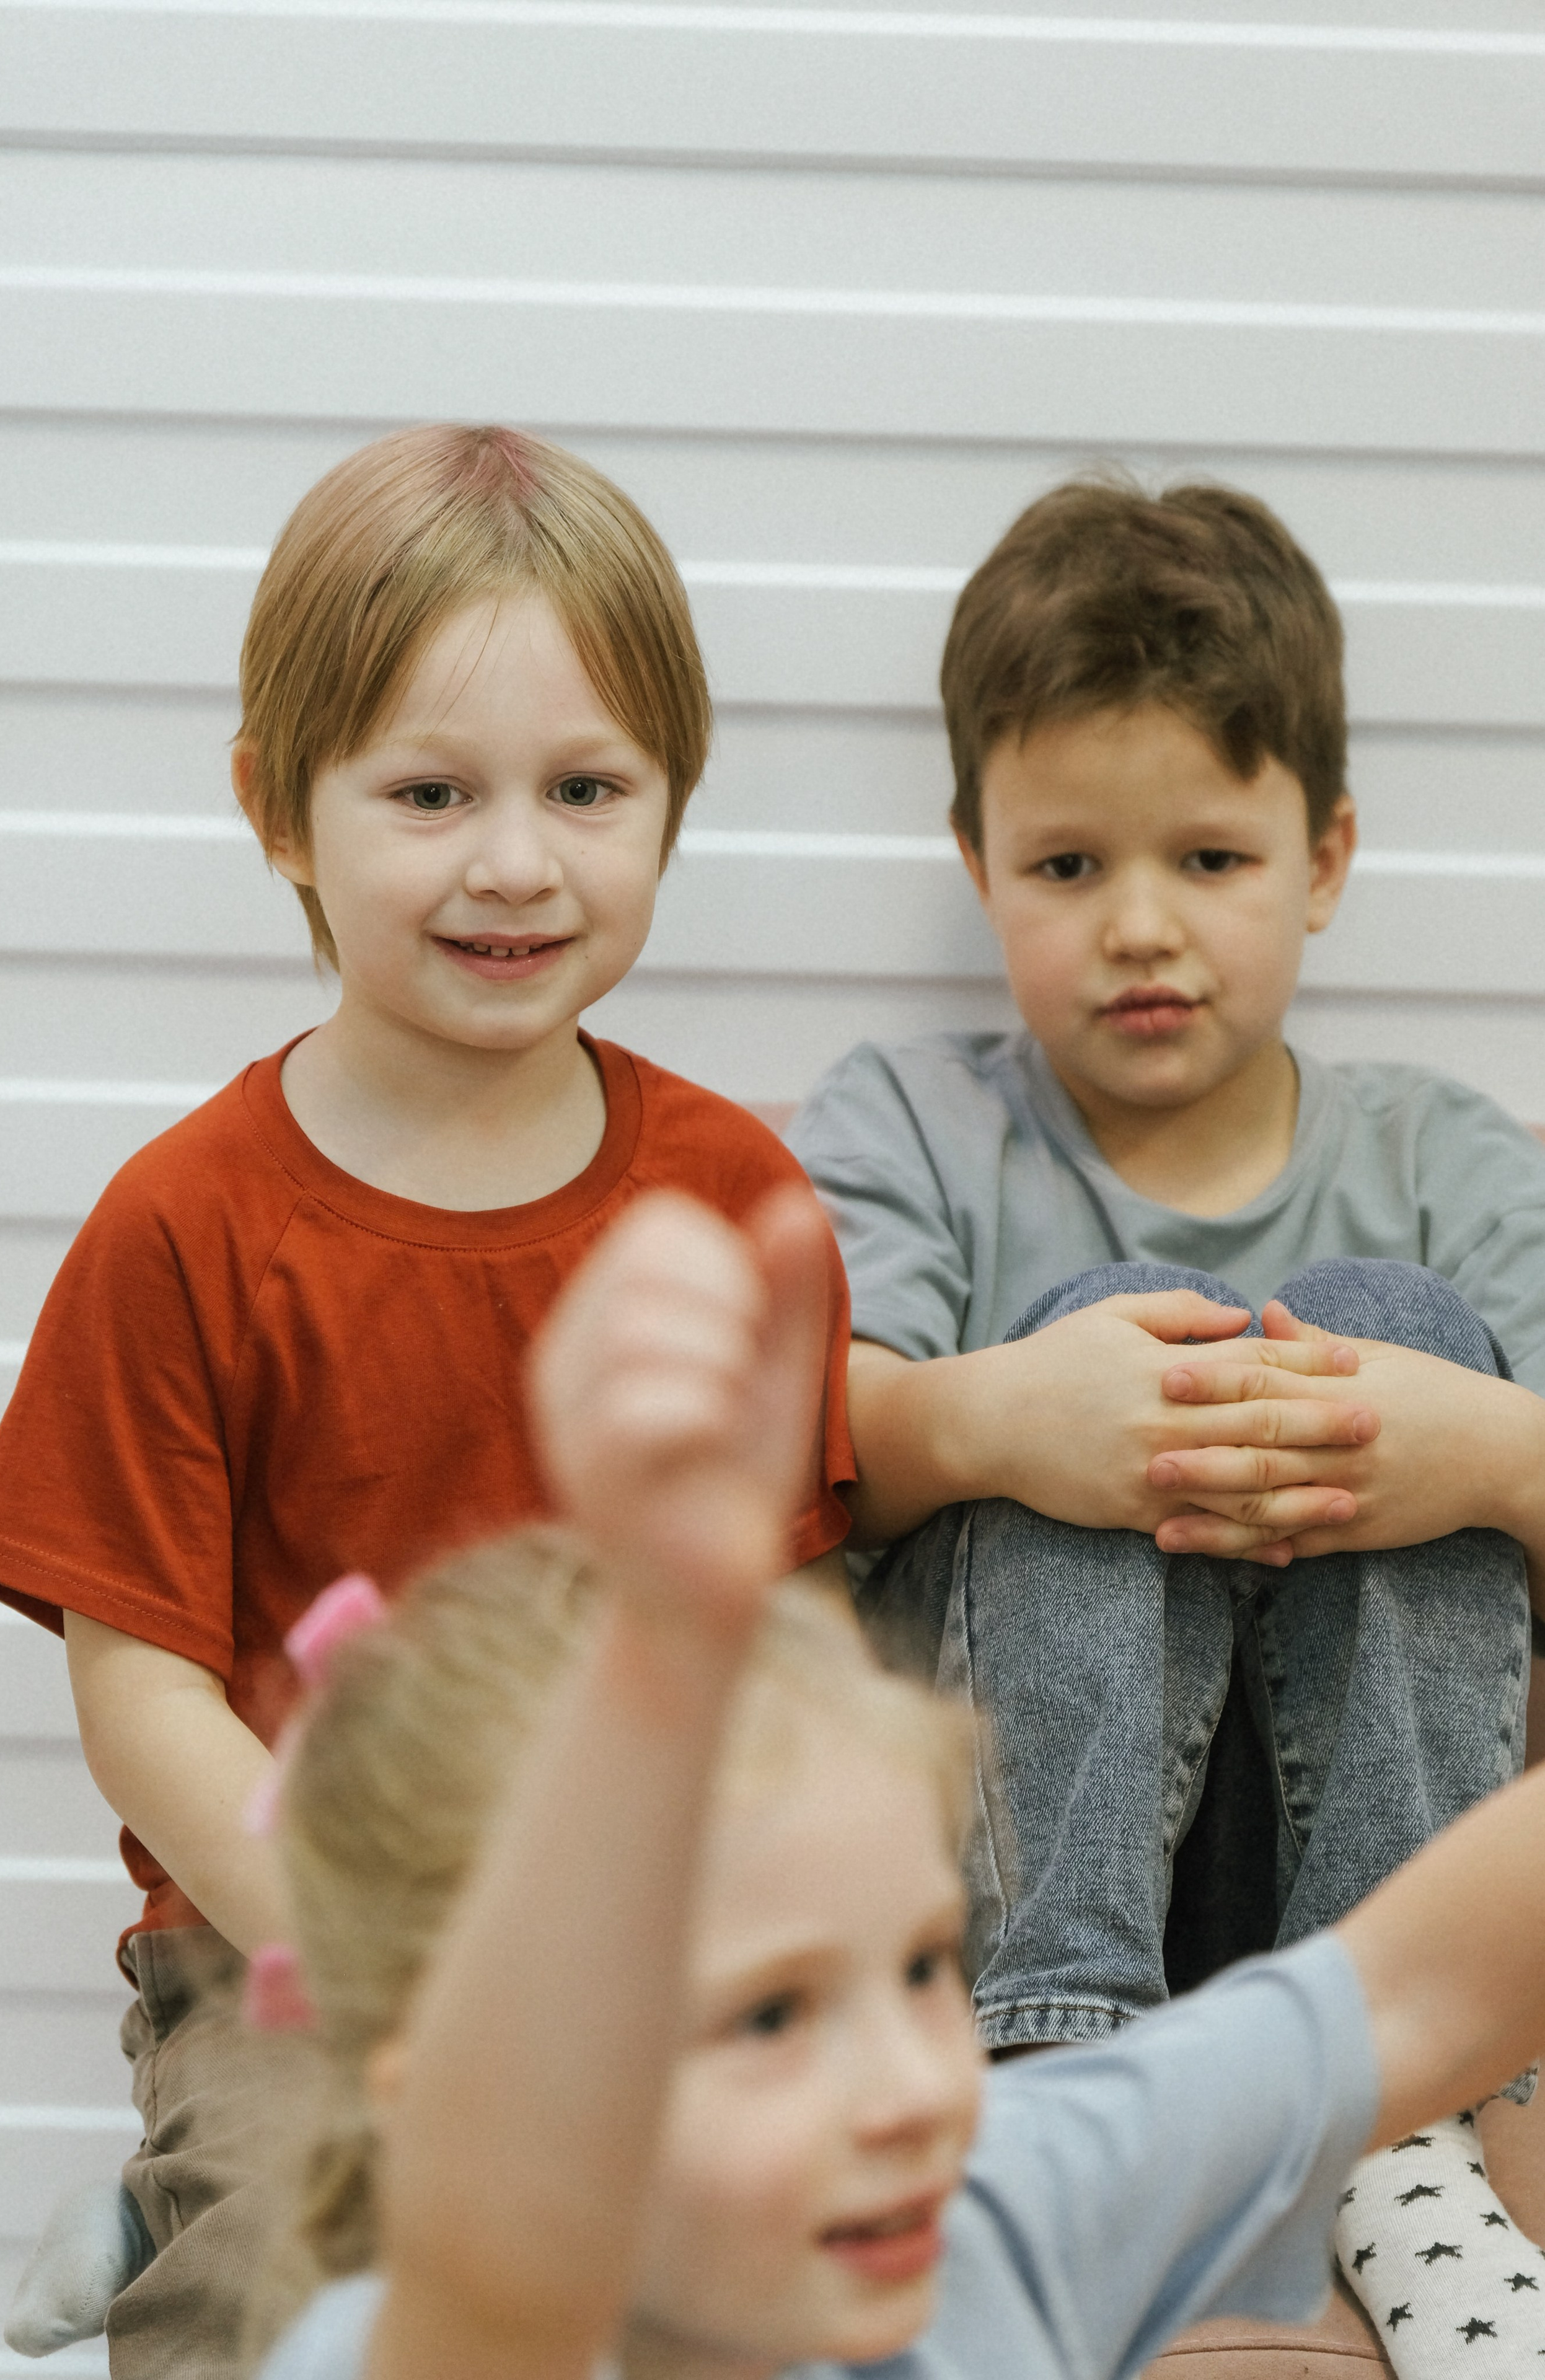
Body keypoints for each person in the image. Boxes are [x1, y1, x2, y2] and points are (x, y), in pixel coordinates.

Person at [0, 426, 854, 2377]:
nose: (515, 861)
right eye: (432, 792)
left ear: (673, 799)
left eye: (587, 789)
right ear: (280, 809)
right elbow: (141, 1700)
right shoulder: (183, 1227)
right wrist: (365, 1940)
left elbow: (781, 1628)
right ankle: (190, 2209)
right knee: (301, 2271)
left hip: (655, 1932)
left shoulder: (733, 1199)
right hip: (302, 1953)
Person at [256, 1187, 1545, 2380]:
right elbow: (496, 2255)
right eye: (771, 2017)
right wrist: (658, 1671)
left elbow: (1419, 1995)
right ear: (442, 2110)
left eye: (927, 1967)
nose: (918, 2091)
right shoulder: (449, 2337)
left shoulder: (1004, 2203)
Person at [785, 475, 1545, 2370]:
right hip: (1016, 1891)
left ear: (1326, 855)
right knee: (1087, 1332)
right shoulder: (913, 1126)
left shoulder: (1443, 1158)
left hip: (1344, 1900)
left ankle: (1400, 2116)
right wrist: (1009, 1421)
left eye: (1209, 858)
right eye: (1067, 868)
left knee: (1399, 1331)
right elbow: (808, 1456)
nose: (1141, 928)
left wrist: (1480, 1455)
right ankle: (1063, 2072)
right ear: (977, 861)